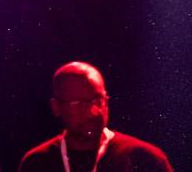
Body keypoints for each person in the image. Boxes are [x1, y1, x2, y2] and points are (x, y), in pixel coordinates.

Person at [19, 61, 173, 172]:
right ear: (56, 107)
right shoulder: (37, 163)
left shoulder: (144, 159)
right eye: (78, 104)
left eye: (98, 101)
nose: (94, 112)